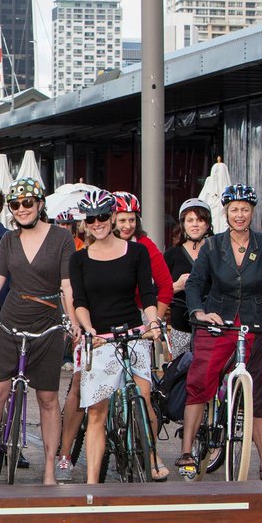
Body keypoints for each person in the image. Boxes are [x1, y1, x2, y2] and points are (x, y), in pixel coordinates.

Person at [178, 184, 262, 481]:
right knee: (201, 380)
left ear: (252, 212)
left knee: (255, 394)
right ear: (226, 213)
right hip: (217, 321)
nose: (240, 215)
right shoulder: (213, 245)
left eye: (245, 209)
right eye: (234, 210)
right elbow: (194, 284)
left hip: (254, 322)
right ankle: (187, 450)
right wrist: (200, 312)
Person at [0, 177, 79, 485]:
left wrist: (73, 322)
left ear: (40, 204)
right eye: (15, 205)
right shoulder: (9, 240)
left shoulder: (61, 238)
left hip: (48, 320)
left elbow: (68, 285)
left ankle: (48, 470)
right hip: (12, 317)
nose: (21, 209)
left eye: (27, 203)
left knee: (47, 397)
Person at [68, 190, 166, 484]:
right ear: (85, 223)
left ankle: (151, 454)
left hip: (133, 333)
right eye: (91, 219)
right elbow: (80, 301)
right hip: (100, 336)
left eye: (102, 216)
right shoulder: (79, 259)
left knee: (144, 396)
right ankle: (92, 482)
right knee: (97, 411)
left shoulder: (136, 252)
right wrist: (88, 329)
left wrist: (153, 322)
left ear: (112, 217)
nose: (97, 223)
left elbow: (148, 293)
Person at [111, 192, 173, 320]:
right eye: (122, 220)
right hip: (104, 316)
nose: (128, 226)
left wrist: (156, 322)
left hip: (139, 315)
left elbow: (166, 286)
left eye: (132, 220)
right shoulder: (99, 245)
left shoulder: (145, 244)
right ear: (111, 220)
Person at [163, 198, 212, 357]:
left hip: (212, 325)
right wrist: (177, 285)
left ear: (207, 224)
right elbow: (157, 291)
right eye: (190, 220)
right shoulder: (172, 254)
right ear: (183, 224)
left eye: (200, 220)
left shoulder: (217, 253)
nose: (195, 224)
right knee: (181, 372)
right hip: (181, 326)